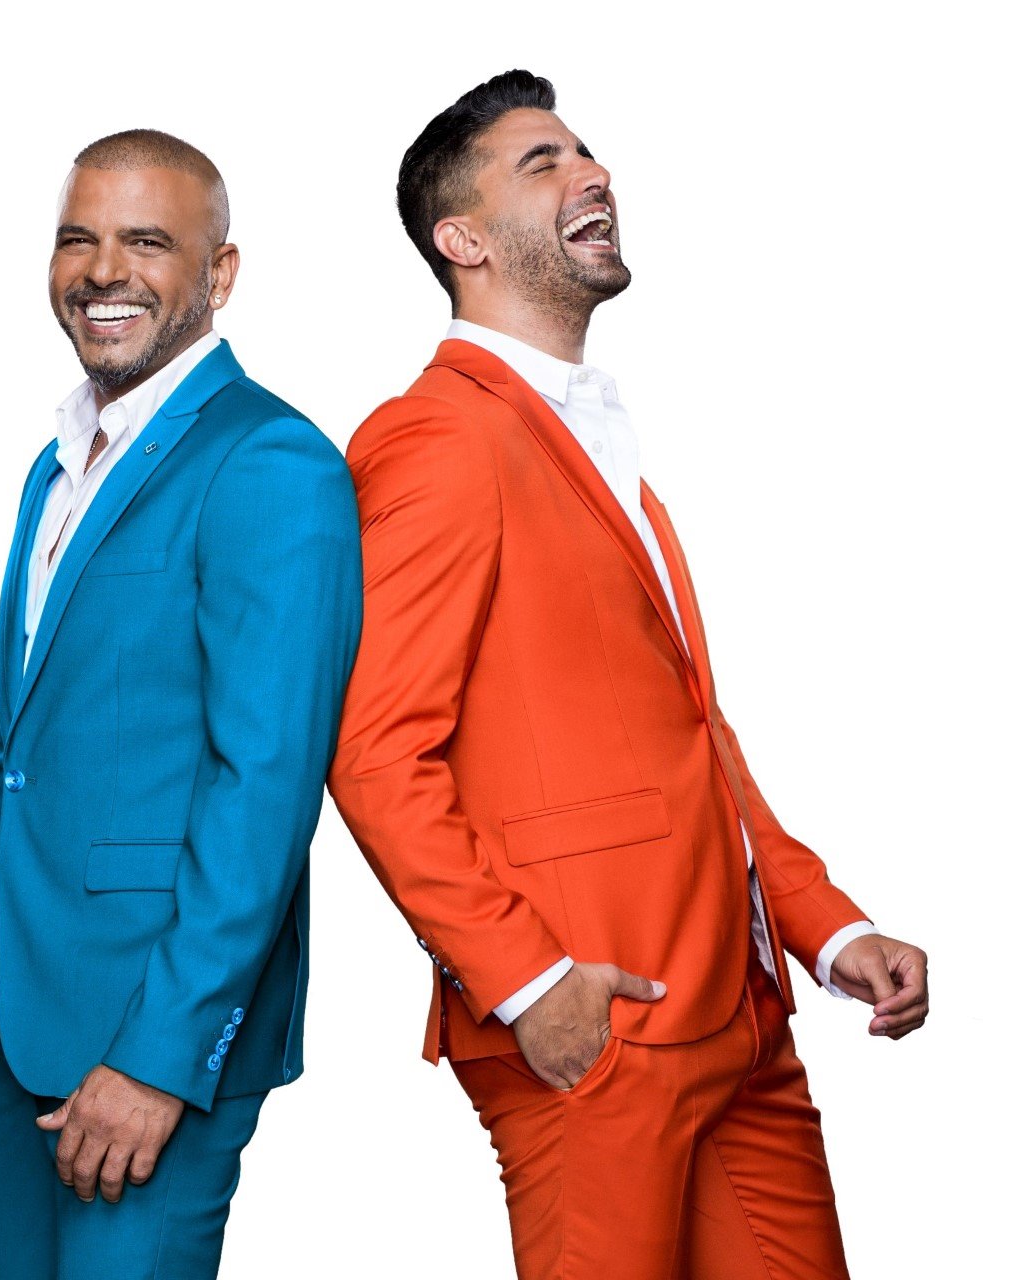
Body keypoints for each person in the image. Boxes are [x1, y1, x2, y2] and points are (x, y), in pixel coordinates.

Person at [328, 71, 928, 1280]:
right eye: (541, 163)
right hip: (591, 1020)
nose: (590, 172)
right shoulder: (436, 436)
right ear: (461, 240)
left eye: (585, 152)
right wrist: (527, 982)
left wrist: (824, 925)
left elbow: (687, 734)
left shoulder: (602, 451)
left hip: (737, 1008)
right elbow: (374, 750)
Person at [0, 129, 362, 1279]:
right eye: (79, 238)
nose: (103, 270)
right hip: (21, 1019)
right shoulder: (59, 465)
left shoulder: (270, 460)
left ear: (219, 273)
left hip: (152, 1035)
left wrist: (163, 1054)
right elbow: (15, 758)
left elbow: (265, 784)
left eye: (147, 241)